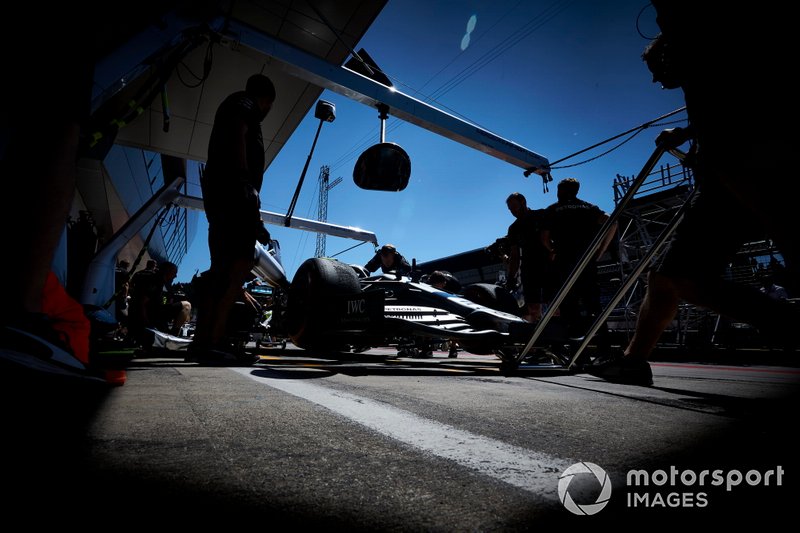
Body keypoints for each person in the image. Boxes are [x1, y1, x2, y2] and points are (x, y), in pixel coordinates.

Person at [588, 0, 798, 386]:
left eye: (655, 69)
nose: (655, 80)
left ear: (672, 50)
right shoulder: (721, 75)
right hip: (725, 177)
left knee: (683, 279)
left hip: (727, 182)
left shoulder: (702, 62)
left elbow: (729, 145)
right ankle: (633, 360)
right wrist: (686, 135)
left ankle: (789, 325)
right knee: (664, 279)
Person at [188, 73, 276, 363]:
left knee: (222, 271)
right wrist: (243, 182)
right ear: (266, 100)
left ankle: (202, 343)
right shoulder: (244, 102)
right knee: (237, 267)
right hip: (235, 195)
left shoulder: (235, 105)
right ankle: (214, 343)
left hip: (225, 198)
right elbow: (238, 129)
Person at [540, 178, 617, 338]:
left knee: (569, 307)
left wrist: (552, 249)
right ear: (576, 191)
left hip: (564, 262)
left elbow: (544, 238)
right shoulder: (589, 207)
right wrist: (601, 250)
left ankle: (577, 353)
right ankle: (605, 349)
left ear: (560, 191)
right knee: (594, 306)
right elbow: (612, 222)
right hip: (587, 261)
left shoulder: (553, 209)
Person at [505, 192, 550, 322]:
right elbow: (514, 256)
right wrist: (511, 277)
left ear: (523, 202)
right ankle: (536, 335)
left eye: (514, 206)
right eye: (510, 209)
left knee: (555, 302)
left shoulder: (541, 215)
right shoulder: (513, 228)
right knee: (533, 307)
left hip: (549, 266)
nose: (512, 211)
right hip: (529, 270)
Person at [127, 261, 191, 343]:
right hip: (150, 316)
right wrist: (146, 324)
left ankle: (168, 334)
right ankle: (173, 336)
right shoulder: (156, 280)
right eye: (174, 273)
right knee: (186, 305)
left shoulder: (149, 277)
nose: (175, 276)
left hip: (151, 314)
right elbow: (141, 303)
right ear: (167, 271)